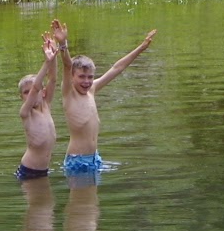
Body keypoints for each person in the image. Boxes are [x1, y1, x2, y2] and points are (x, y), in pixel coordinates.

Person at [55, 26, 156, 176]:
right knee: (82, 200)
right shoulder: (69, 93)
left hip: (95, 159)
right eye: (81, 77)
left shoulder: (92, 90)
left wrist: (141, 48)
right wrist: (63, 45)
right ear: (71, 77)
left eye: (90, 77)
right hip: (78, 161)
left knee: (93, 200)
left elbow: (117, 68)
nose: (86, 81)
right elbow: (67, 65)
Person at [15, 28, 63, 181]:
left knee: (48, 204)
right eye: (25, 92)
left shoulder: (46, 105)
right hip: (29, 171)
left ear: (44, 92)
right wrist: (46, 62)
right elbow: (36, 86)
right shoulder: (26, 113)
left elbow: (53, 79)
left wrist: (53, 55)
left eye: (34, 91)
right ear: (21, 97)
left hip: (43, 171)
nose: (31, 94)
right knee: (41, 206)